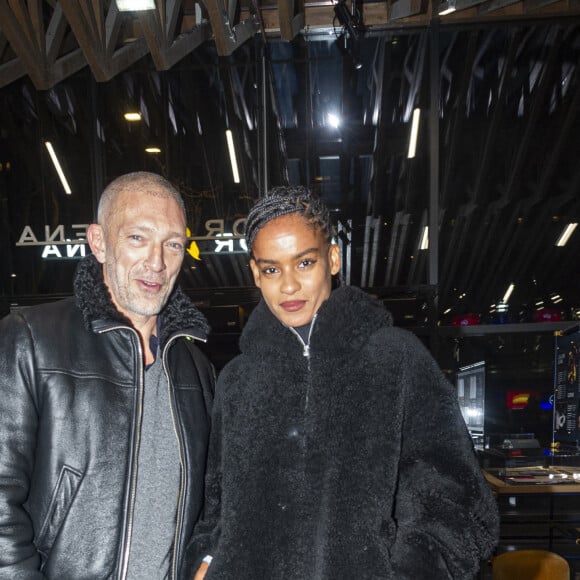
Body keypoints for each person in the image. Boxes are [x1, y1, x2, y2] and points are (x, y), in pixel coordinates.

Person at [193, 185, 499, 579]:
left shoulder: (395, 359)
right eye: (271, 268)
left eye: (304, 263)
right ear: (255, 272)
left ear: (333, 258)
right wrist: (205, 562)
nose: (288, 285)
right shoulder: (237, 380)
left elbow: (454, 499)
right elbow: (216, 505)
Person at [0, 172, 215, 579]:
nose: (157, 262)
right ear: (98, 242)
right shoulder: (30, 339)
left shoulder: (196, 369)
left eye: (172, 243)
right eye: (137, 238)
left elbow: (207, 506)